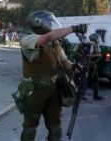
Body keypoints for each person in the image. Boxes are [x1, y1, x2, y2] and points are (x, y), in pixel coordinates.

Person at [18, 10, 87, 141]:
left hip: (53, 90)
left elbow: (63, 61)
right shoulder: (28, 40)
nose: (51, 24)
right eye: (49, 22)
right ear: (39, 24)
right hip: (34, 91)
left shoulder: (55, 43)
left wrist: (74, 67)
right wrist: (74, 28)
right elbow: (47, 37)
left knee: (56, 129)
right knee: (30, 129)